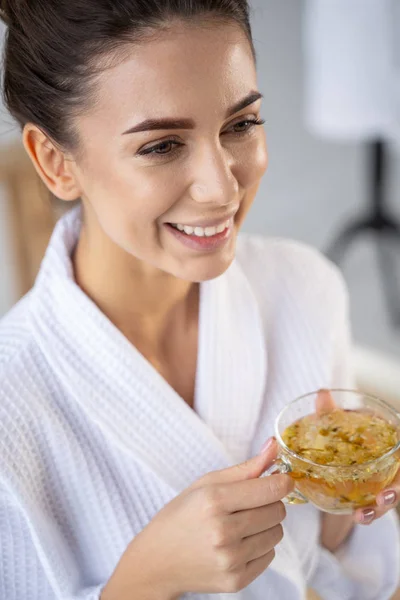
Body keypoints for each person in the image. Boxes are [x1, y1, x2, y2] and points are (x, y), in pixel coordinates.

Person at [0, 1, 399, 599]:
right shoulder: (12, 408)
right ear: (56, 163)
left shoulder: (306, 289)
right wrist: (145, 579)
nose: (222, 188)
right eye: (161, 146)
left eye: (241, 124)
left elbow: (346, 578)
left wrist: (340, 504)